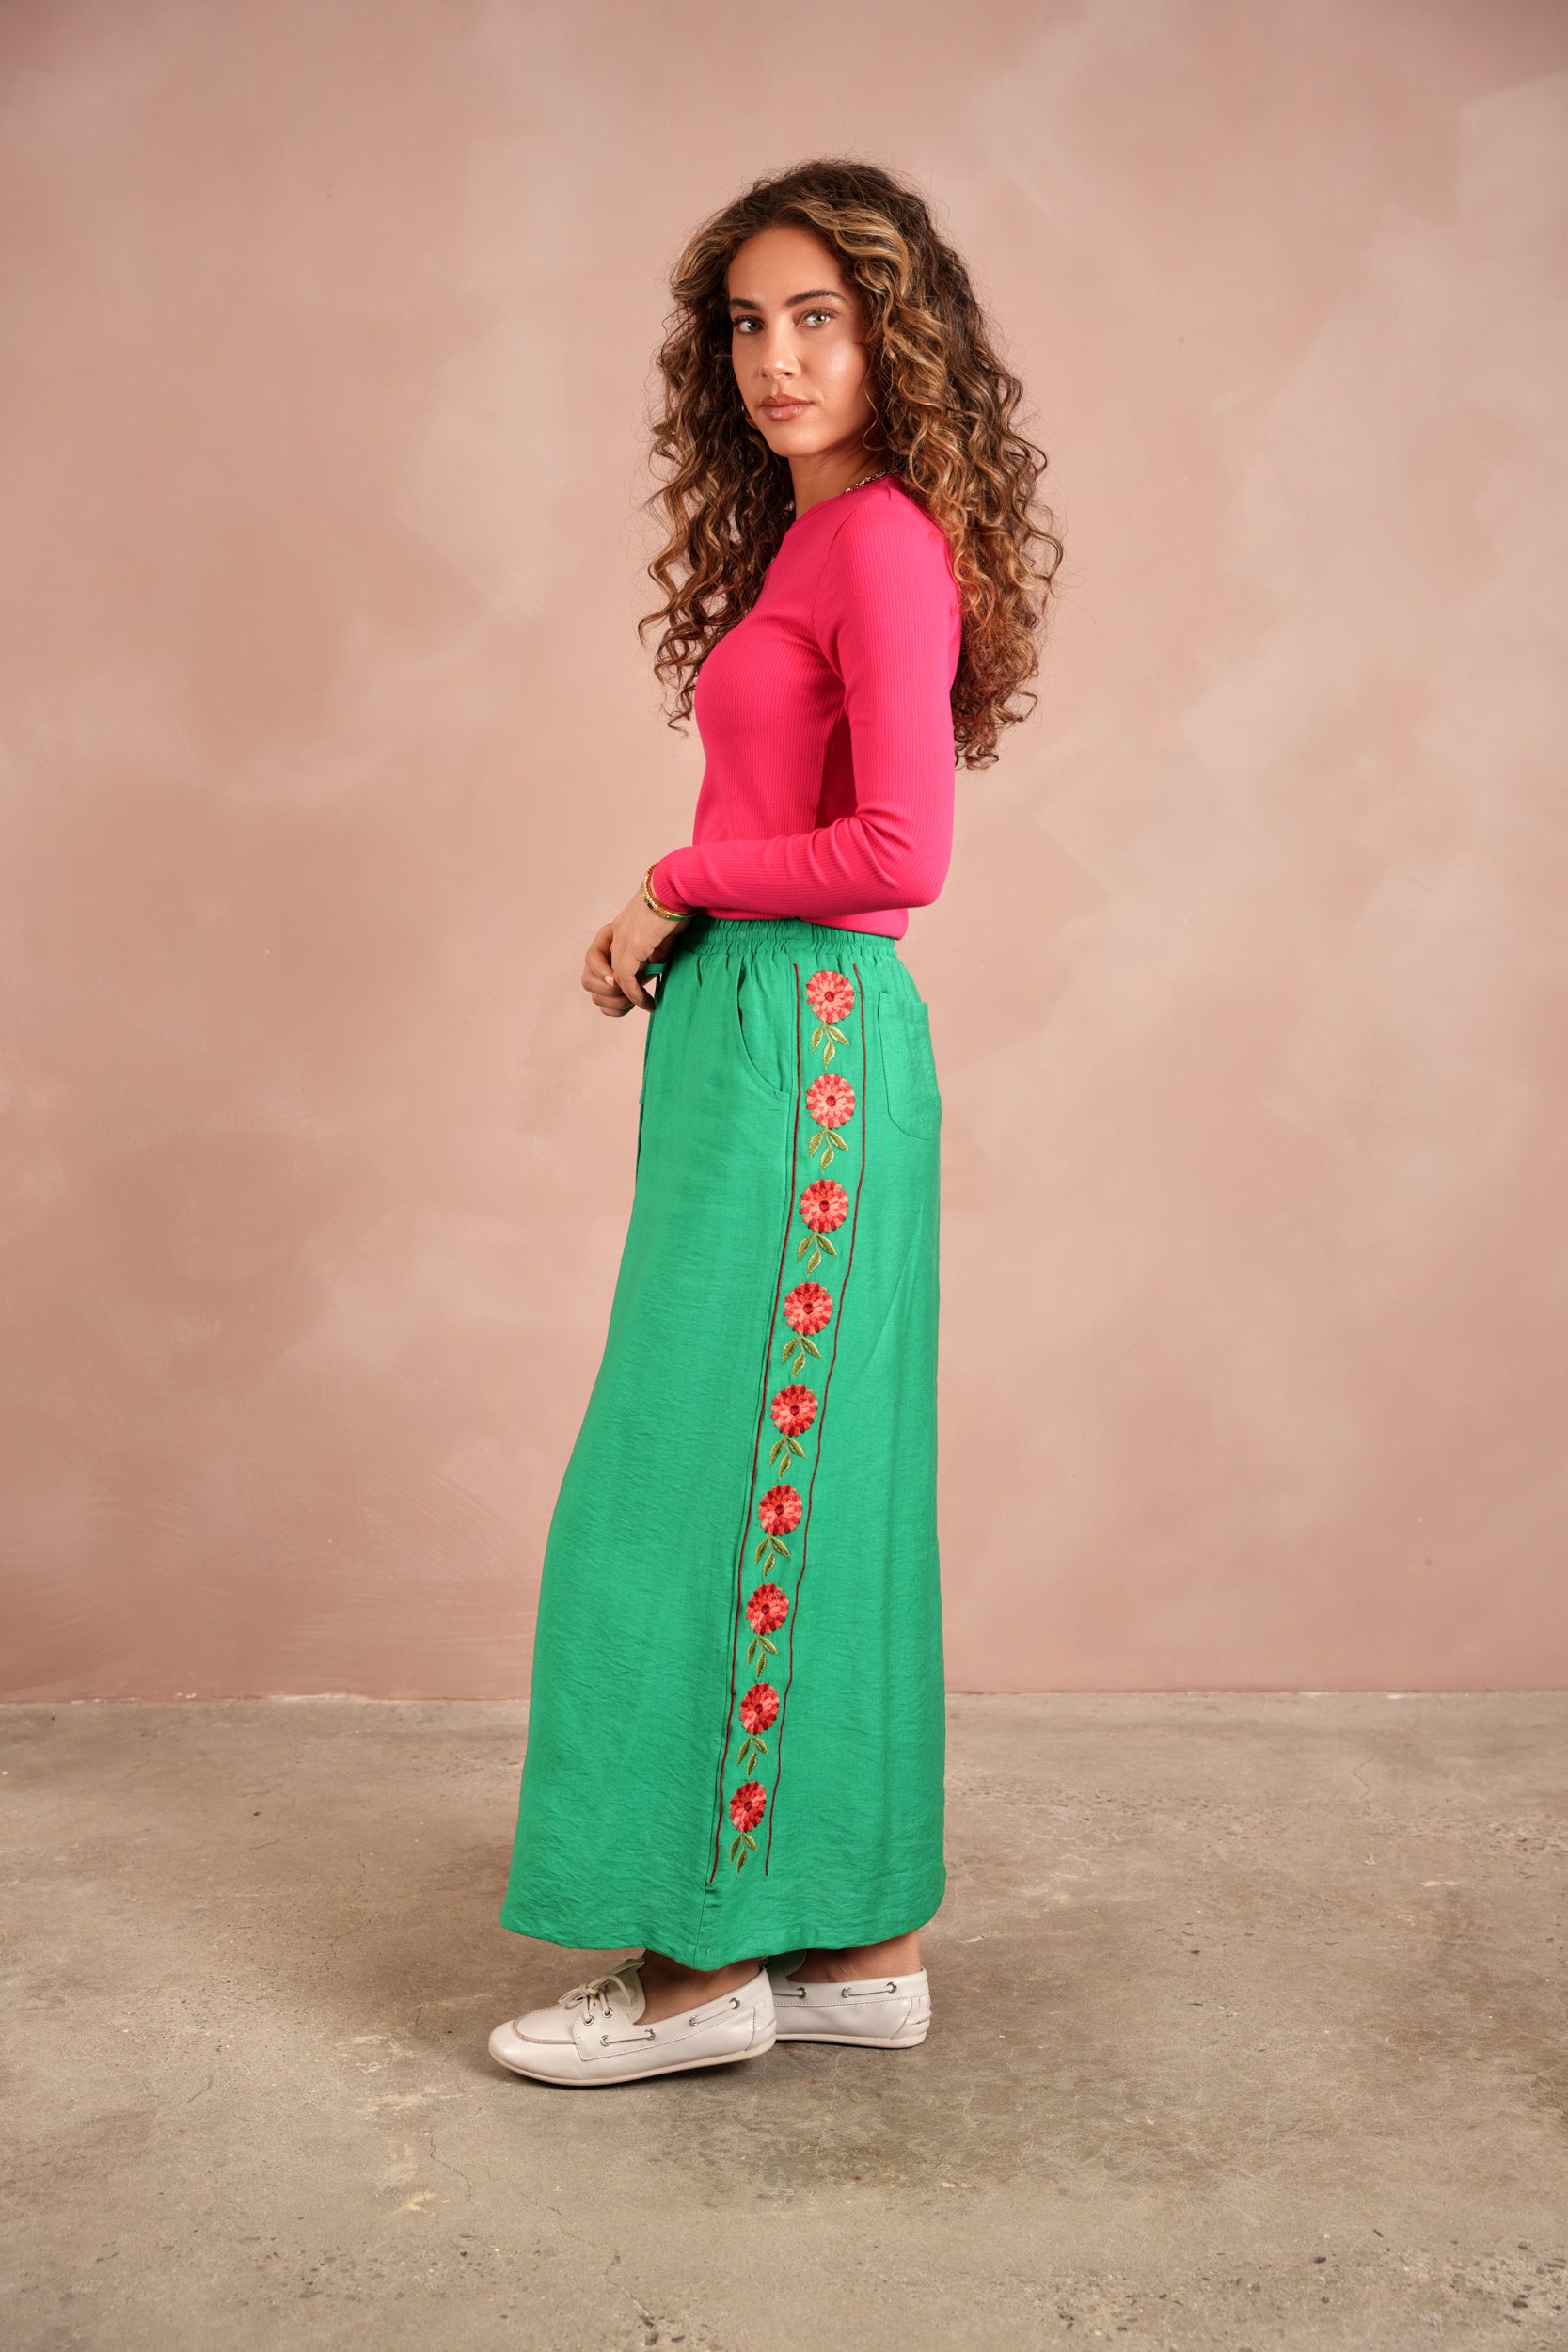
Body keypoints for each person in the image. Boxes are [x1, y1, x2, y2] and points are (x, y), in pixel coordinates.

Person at [489, 157, 1060, 2087]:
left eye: (819, 316)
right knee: (800, 1472)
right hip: (770, 1030)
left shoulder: (883, 544)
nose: (775, 358)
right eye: (747, 323)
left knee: (691, 1476)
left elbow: (903, 851)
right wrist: (693, 916)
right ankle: (854, 1942)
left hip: (804, 1036)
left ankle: (695, 1968)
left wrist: (674, 879)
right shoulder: (817, 544)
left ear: (899, 337)